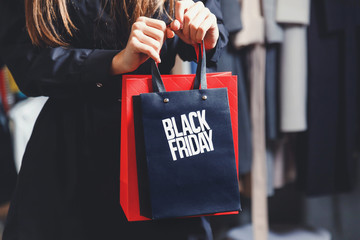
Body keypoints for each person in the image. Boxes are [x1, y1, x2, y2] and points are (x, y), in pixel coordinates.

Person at [0, 0, 228, 239]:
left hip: (158, 143)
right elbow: (26, 62)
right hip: (71, 152)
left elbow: (214, 30)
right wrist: (112, 62)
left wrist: (206, 30)